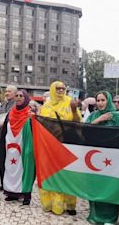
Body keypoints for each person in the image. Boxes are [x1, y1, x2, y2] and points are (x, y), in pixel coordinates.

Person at [39, 81, 81, 216]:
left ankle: (69, 204)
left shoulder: (70, 102)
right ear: (52, 89)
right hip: (50, 145)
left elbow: (78, 122)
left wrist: (74, 110)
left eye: (63, 88)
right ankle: (52, 204)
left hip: (67, 144)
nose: (61, 90)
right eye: (58, 88)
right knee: (52, 174)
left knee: (68, 174)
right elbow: (42, 124)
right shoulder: (46, 105)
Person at [85, 91, 119, 224]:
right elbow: (85, 131)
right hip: (93, 157)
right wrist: (99, 120)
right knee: (94, 186)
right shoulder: (93, 115)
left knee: (109, 186)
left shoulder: (116, 117)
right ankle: (95, 216)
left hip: (111, 158)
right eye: (98, 100)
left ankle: (109, 218)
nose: (100, 103)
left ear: (108, 101)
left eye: (103, 100)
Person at [0, 90, 35, 205]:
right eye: (17, 96)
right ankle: (12, 193)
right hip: (10, 147)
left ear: (26, 98)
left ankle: (26, 194)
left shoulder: (30, 113)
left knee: (24, 169)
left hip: (24, 147)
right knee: (10, 168)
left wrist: (34, 119)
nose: (18, 98)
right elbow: (4, 130)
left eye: (21, 96)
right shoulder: (10, 113)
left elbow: (35, 130)